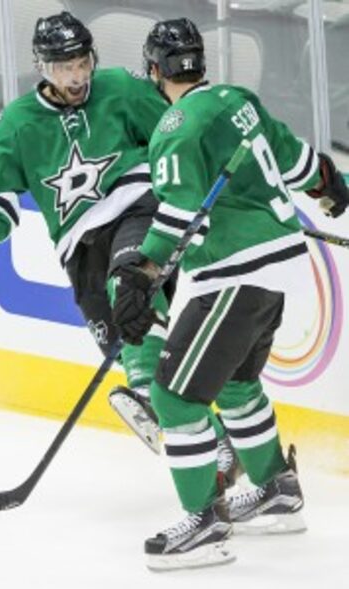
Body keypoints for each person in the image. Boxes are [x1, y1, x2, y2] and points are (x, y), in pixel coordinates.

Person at [0, 10, 239, 475]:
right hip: (80, 245)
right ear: (42, 68)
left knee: (128, 283)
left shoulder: (122, 88)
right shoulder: (15, 125)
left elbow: (178, 134)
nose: (77, 76)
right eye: (63, 67)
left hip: (138, 207)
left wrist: (209, 184)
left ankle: (143, 390)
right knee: (122, 333)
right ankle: (217, 448)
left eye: (82, 62)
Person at [111, 18, 349, 570]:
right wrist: (330, 183)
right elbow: (294, 160)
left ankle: (204, 525)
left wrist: (139, 276)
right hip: (278, 265)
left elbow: (176, 216)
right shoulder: (238, 100)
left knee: (173, 395)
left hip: (236, 270)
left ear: (153, 70)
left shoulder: (174, 125)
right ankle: (276, 491)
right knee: (238, 383)